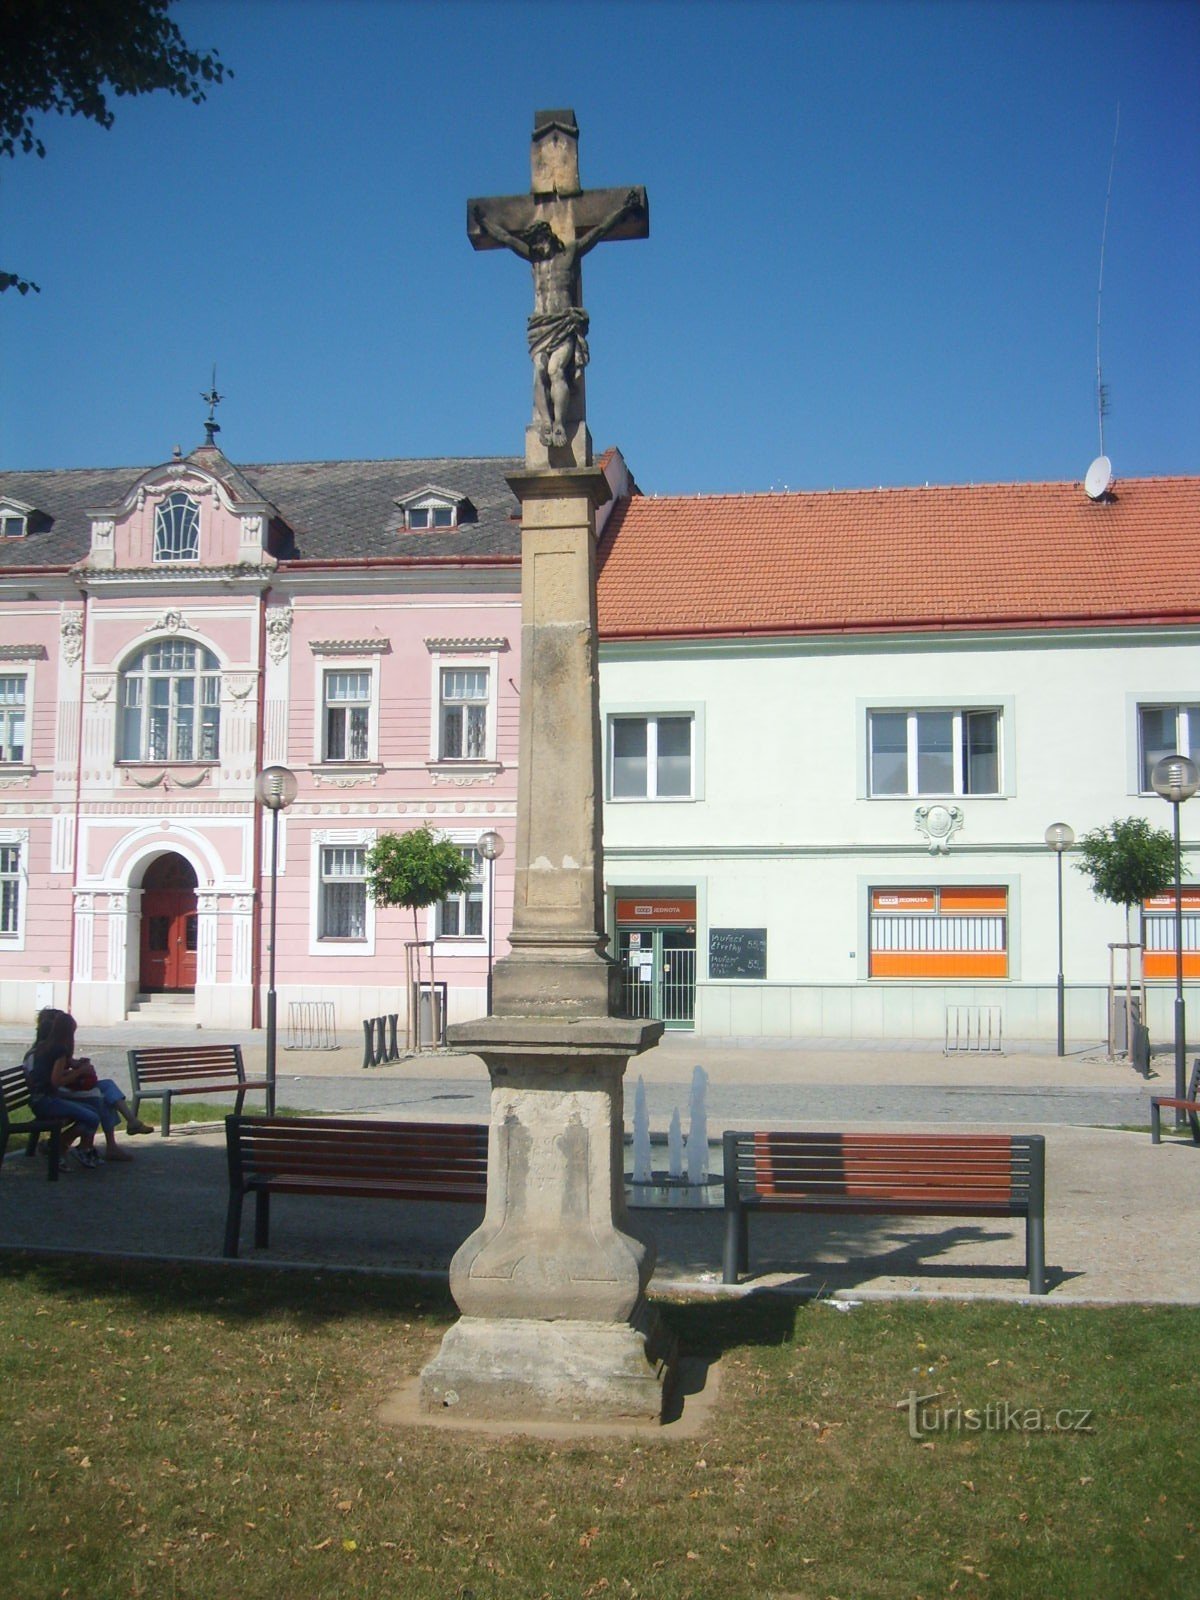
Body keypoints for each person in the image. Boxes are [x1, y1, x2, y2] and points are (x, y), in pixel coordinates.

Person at [472, 188, 643, 447]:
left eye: (539, 242)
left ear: (548, 238)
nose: (537, 247)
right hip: (541, 327)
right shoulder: (535, 261)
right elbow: (506, 239)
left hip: (563, 324)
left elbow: (598, 232)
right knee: (539, 371)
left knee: (555, 370)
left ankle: (561, 424)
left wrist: (624, 211)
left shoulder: (569, 254)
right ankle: (546, 424)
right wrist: (484, 223)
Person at [23, 1009, 152, 1166]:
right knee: (98, 1099)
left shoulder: (51, 1049)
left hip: (54, 1095)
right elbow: (50, 1081)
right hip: (53, 1097)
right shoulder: (46, 1051)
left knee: (107, 1088)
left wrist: (77, 1066)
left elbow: (59, 1071)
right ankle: (80, 1147)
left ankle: (125, 1127)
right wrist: (79, 1072)